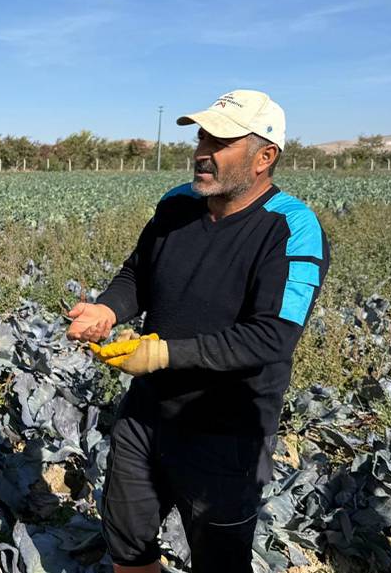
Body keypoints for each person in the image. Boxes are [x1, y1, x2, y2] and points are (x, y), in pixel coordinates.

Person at [67, 90, 329, 573]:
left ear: (263, 158)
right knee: (127, 545)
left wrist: (162, 354)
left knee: (219, 563)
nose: (202, 149)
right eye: (203, 135)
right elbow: (138, 274)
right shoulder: (177, 205)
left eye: (221, 140)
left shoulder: (291, 228)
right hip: (146, 417)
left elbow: (273, 337)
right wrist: (107, 309)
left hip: (226, 432)